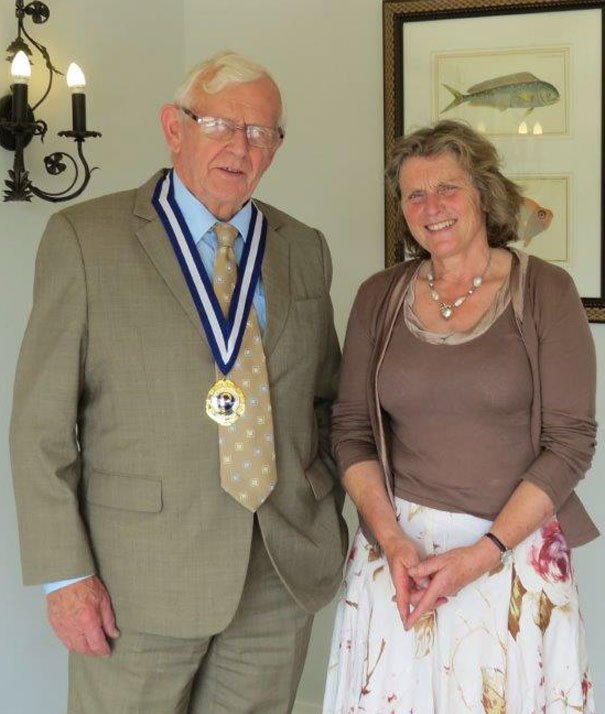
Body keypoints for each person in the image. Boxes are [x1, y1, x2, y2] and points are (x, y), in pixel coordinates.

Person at [10, 50, 347, 714]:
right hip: (138, 578)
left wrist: (322, 505)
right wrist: (67, 575)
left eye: (261, 132)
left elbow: (326, 399)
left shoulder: (302, 246)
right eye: (221, 125)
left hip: (277, 570)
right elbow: (40, 425)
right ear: (174, 128)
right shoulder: (85, 238)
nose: (240, 146)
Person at [323, 120, 597, 713]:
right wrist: (391, 539)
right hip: (400, 559)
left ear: (483, 194)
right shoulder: (379, 295)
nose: (431, 207)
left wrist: (484, 551)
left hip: (508, 551)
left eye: (448, 188)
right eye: (414, 194)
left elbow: (571, 442)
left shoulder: (545, 290)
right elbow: (350, 430)